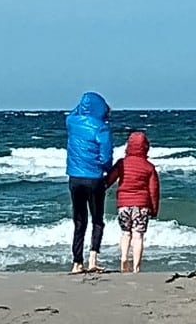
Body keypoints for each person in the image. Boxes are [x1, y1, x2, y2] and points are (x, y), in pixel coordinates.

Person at [65, 92, 113, 273]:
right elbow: (106, 156)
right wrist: (107, 170)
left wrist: (82, 106)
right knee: (97, 220)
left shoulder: (71, 122)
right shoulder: (101, 128)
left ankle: (77, 262)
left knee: (79, 220)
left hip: (75, 178)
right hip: (94, 178)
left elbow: (74, 112)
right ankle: (93, 258)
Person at [105, 131, 160, 273]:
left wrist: (99, 189)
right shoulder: (149, 167)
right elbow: (153, 191)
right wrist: (154, 210)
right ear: (145, 147)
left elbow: (109, 180)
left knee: (125, 233)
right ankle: (136, 267)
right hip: (141, 205)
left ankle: (124, 258)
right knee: (138, 235)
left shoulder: (121, 164)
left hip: (123, 204)